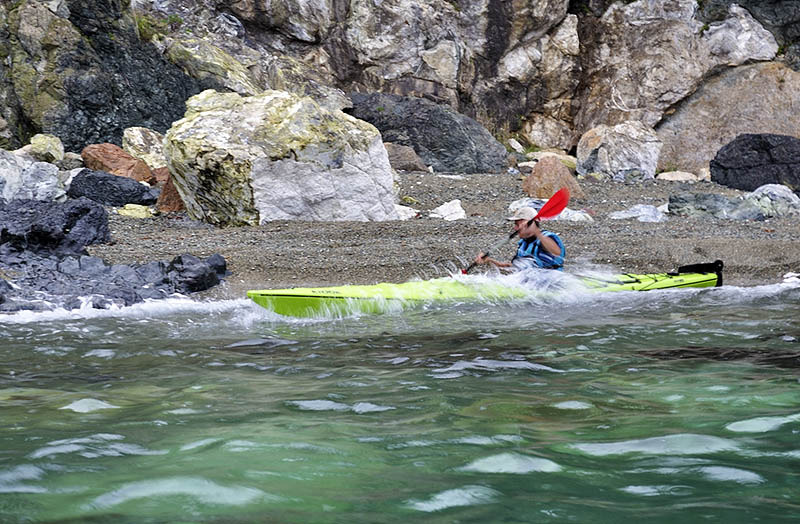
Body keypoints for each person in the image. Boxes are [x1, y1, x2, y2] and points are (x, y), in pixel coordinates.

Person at [474, 207, 565, 271]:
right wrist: (489, 260)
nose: (515, 228)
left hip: (550, 284)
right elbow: (513, 268)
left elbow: (556, 252)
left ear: (530, 224)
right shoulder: (523, 243)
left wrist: (536, 231)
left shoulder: (548, 237)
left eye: (517, 225)